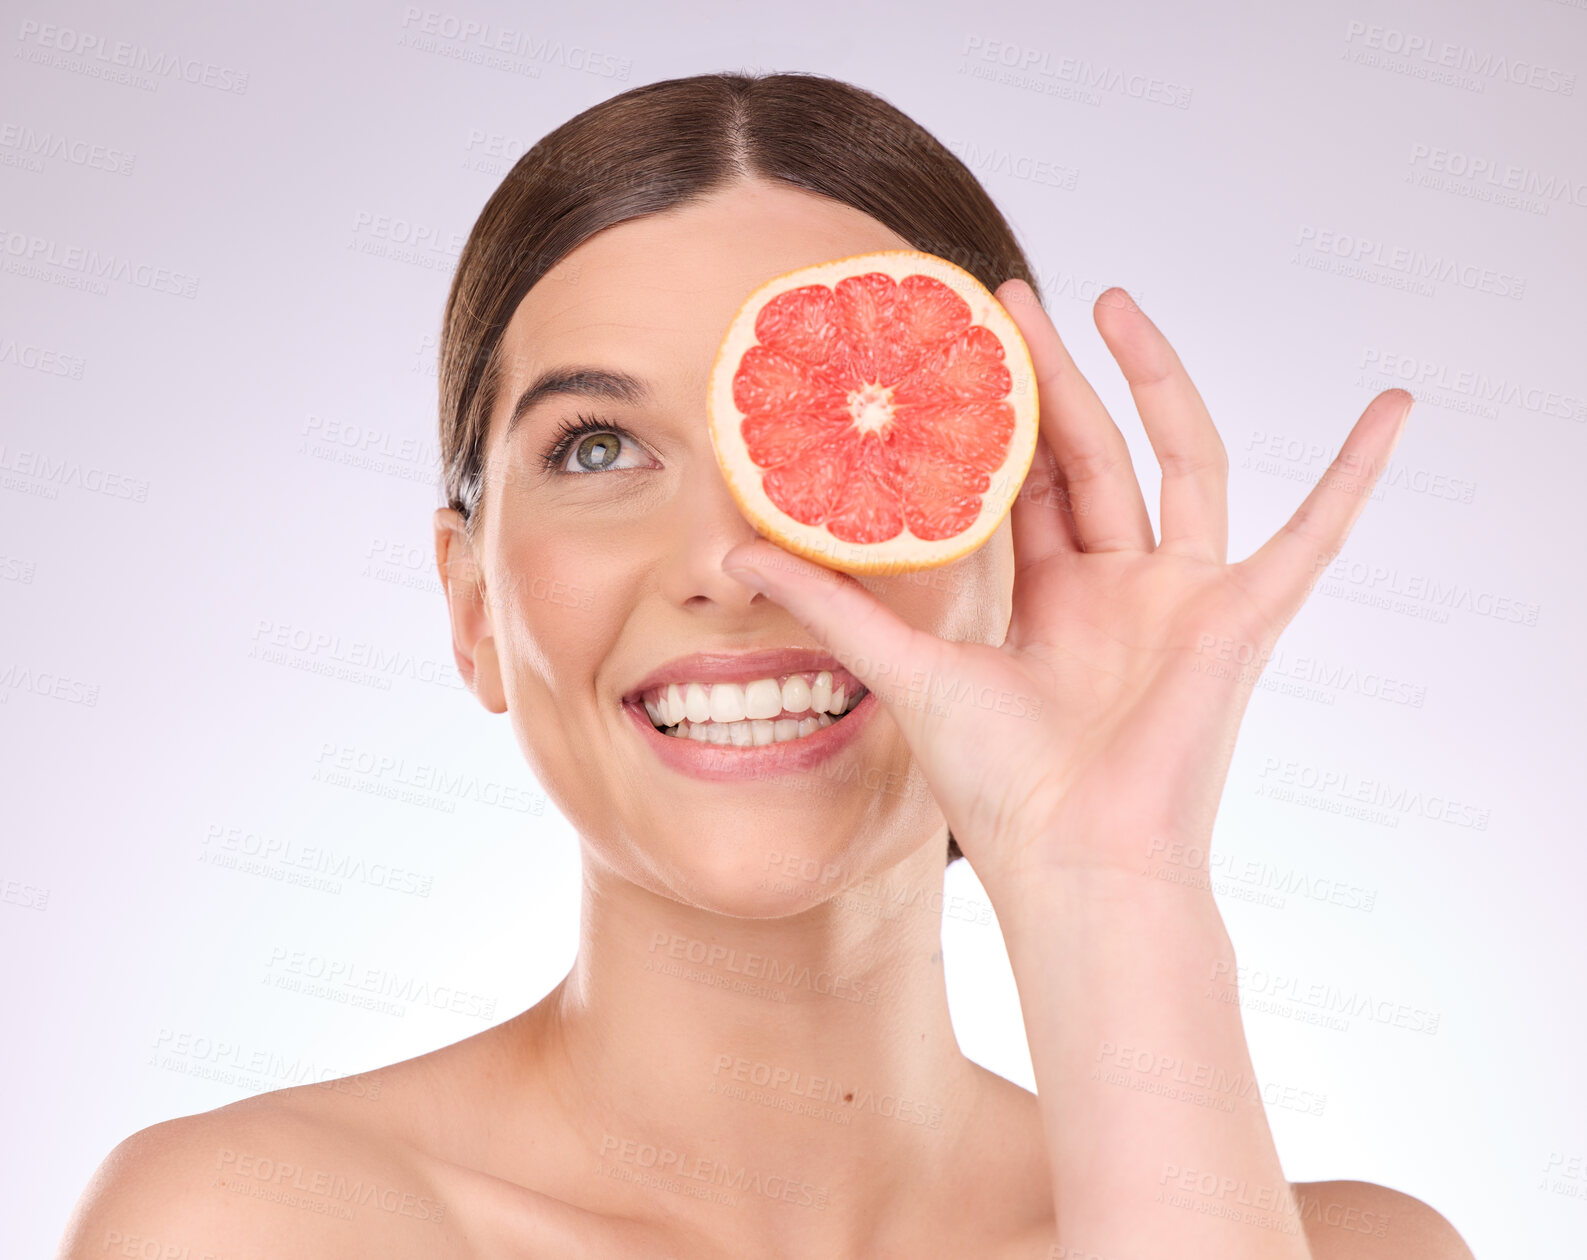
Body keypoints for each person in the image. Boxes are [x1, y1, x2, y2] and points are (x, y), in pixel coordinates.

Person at [59, 71, 1475, 1259]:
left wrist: (1117, 892)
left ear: (1016, 540)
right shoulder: (264, 1226)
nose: (735, 559)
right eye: (597, 448)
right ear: (472, 608)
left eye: (846, 441)